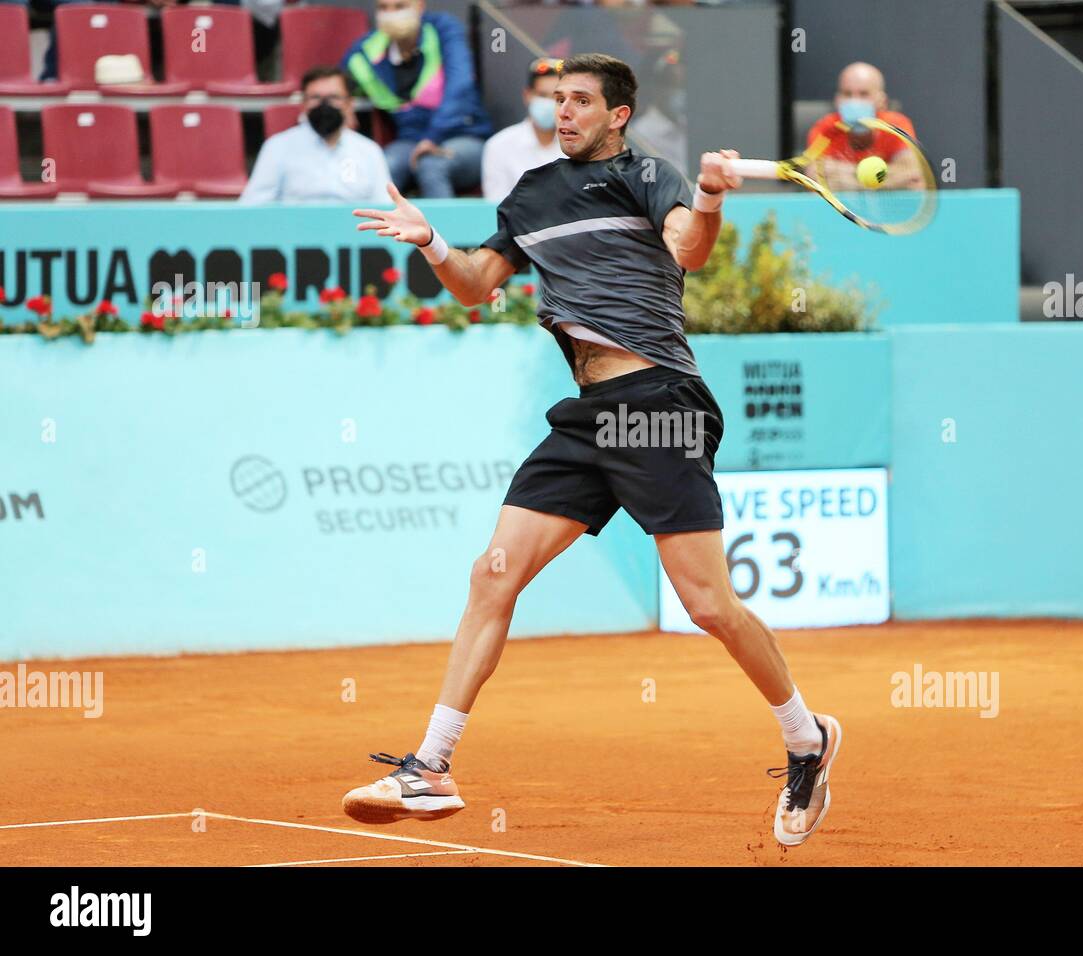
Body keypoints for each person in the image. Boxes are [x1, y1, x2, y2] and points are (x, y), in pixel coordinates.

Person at [345, 53, 841, 848]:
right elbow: (478, 283)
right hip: (587, 416)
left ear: (618, 114)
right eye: (555, 99)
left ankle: (804, 737)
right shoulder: (531, 194)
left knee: (708, 605)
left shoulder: (649, 175)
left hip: (658, 407)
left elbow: (689, 248)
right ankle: (430, 768)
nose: (563, 111)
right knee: (493, 572)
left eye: (580, 100)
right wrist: (432, 243)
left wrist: (709, 196)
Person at [341, 0, 492, 198]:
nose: (391, 14)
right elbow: (340, 84)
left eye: (399, 6)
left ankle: (441, 229)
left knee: (431, 164)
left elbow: (460, 85)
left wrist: (433, 136)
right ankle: (377, 228)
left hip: (463, 135)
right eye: (383, 8)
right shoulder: (367, 49)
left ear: (419, 6)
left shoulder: (442, 29)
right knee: (384, 165)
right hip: (409, 140)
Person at [241, 67, 391, 204]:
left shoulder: (368, 151)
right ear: (303, 103)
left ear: (349, 103)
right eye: (315, 98)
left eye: (334, 97)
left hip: (353, 230)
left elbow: (384, 205)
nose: (324, 105)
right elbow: (254, 204)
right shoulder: (278, 147)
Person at [807, 61, 923, 191]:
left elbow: (913, 177)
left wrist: (852, 175)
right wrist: (888, 179)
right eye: (847, 94)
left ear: (882, 101)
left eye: (864, 94)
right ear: (837, 99)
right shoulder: (825, 128)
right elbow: (815, 179)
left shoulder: (896, 125)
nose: (854, 101)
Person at [479, 57, 566, 203]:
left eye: (557, 98)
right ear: (527, 96)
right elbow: (497, 207)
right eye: (542, 95)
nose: (549, 103)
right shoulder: (498, 146)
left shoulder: (577, 144)